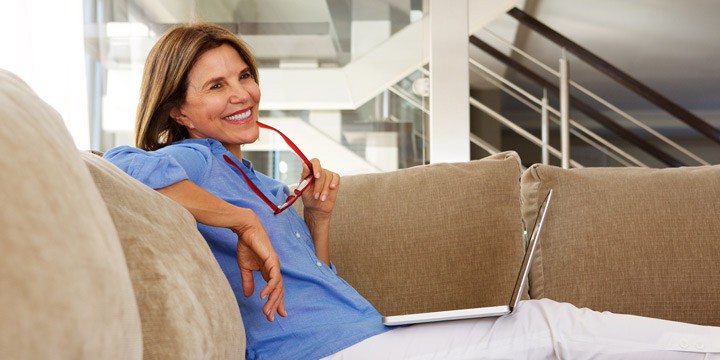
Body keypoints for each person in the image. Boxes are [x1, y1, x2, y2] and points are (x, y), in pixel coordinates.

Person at [104, 23, 720, 359]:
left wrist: (317, 218)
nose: (241, 93)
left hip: (361, 339)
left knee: (548, 325)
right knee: (549, 327)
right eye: (215, 86)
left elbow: (304, 286)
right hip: (325, 353)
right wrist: (240, 220)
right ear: (179, 110)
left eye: (244, 76)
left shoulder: (260, 180)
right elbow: (116, 168)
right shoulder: (194, 158)